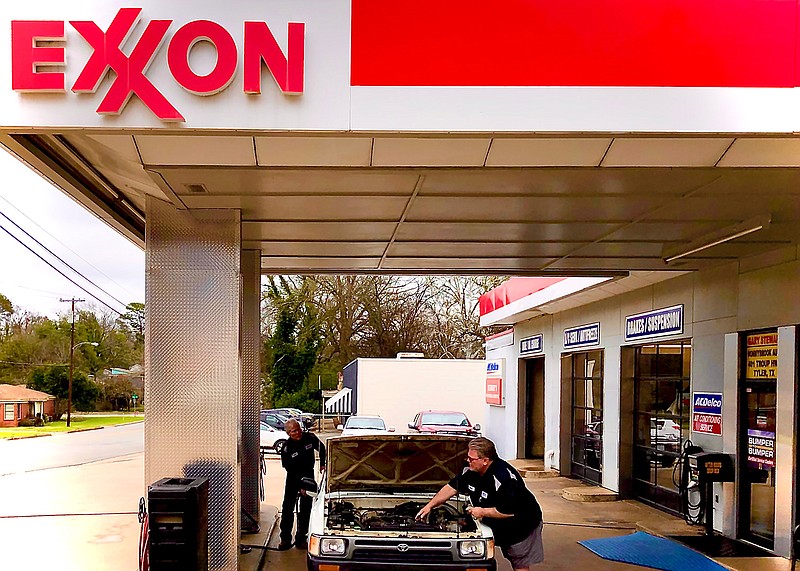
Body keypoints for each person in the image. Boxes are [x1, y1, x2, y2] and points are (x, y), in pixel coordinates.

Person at [415, 437, 544, 570]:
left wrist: (481, 511)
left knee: (518, 559)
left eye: (471, 459)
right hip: (499, 522)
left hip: (521, 524)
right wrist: (430, 505)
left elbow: (508, 510)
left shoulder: (504, 478)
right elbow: (451, 487)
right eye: (468, 457)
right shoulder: (471, 471)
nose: (467, 461)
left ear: (485, 461)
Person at [278, 418, 326, 550]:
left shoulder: (309, 437)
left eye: (298, 429)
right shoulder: (286, 448)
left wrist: (322, 464)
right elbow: (288, 468)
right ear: (288, 433)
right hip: (293, 479)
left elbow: (322, 448)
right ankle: (285, 539)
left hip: (308, 477)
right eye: (294, 431)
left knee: (306, 510)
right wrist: (300, 486)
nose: (297, 432)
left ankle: (301, 538)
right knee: (288, 509)